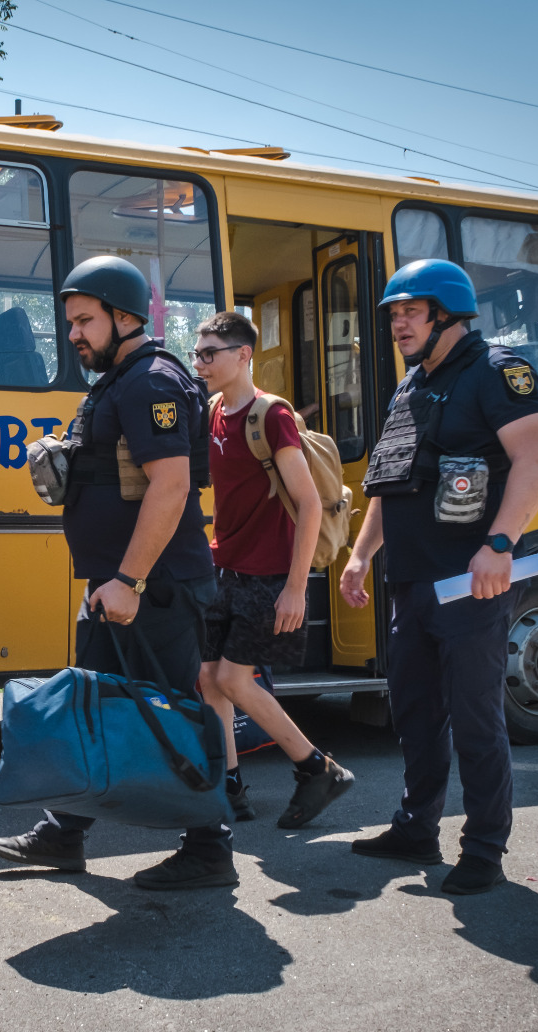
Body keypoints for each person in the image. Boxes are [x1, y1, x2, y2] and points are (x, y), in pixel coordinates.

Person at [0, 255, 235, 890]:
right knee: (90, 701)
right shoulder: (117, 380)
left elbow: (171, 486)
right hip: (115, 586)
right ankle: (65, 834)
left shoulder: (150, 381)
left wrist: (129, 580)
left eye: (85, 321)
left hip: (152, 586)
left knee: (172, 712)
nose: (73, 335)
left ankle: (210, 847)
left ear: (125, 317)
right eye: (70, 322)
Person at [339, 259, 538, 895]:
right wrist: (359, 554)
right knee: (414, 711)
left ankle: (484, 849)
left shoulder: (496, 371)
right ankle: (415, 828)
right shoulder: (411, 385)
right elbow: (390, 480)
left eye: (410, 310)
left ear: (448, 314)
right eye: (394, 313)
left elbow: (535, 461)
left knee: (475, 717)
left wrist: (499, 544)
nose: (397, 322)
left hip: (469, 582)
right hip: (411, 581)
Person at [190, 311, 356, 828]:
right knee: (206, 678)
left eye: (210, 353)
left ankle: (317, 767)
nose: (200, 363)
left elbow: (308, 504)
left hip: (269, 576)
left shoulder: (271, 417)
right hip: (226, 567)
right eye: (197, 353)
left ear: (243, 356)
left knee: (234, 680)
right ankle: (231, 786)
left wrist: (295, 589)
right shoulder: (213, 410)